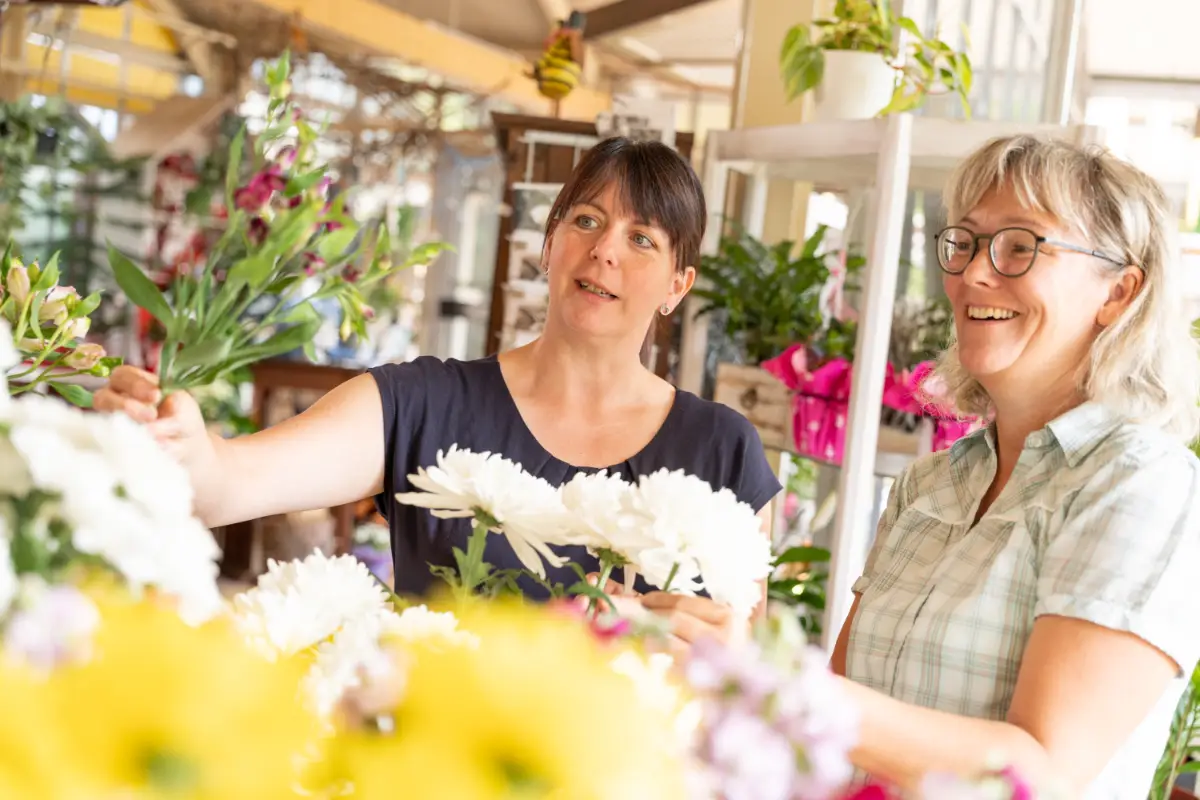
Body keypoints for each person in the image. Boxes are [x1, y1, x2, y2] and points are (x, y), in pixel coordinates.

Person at [94, 137, 781, 641]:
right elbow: (229, 482)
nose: (604, 250)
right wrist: (177, 443)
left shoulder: (723, 450)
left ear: (677, 286)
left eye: (642, 239)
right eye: (587, 220)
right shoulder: (423, 404)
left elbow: (748, 671)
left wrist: (725, 657)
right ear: (548, 245)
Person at [825, 136, 1200, 797]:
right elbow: (840, 733)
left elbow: (1040, 770)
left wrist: (773, 687)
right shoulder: (931, 484)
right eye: (965, 242)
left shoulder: (1142, 484)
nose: (973, 273)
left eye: (1021, 246)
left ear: (1118, 292)